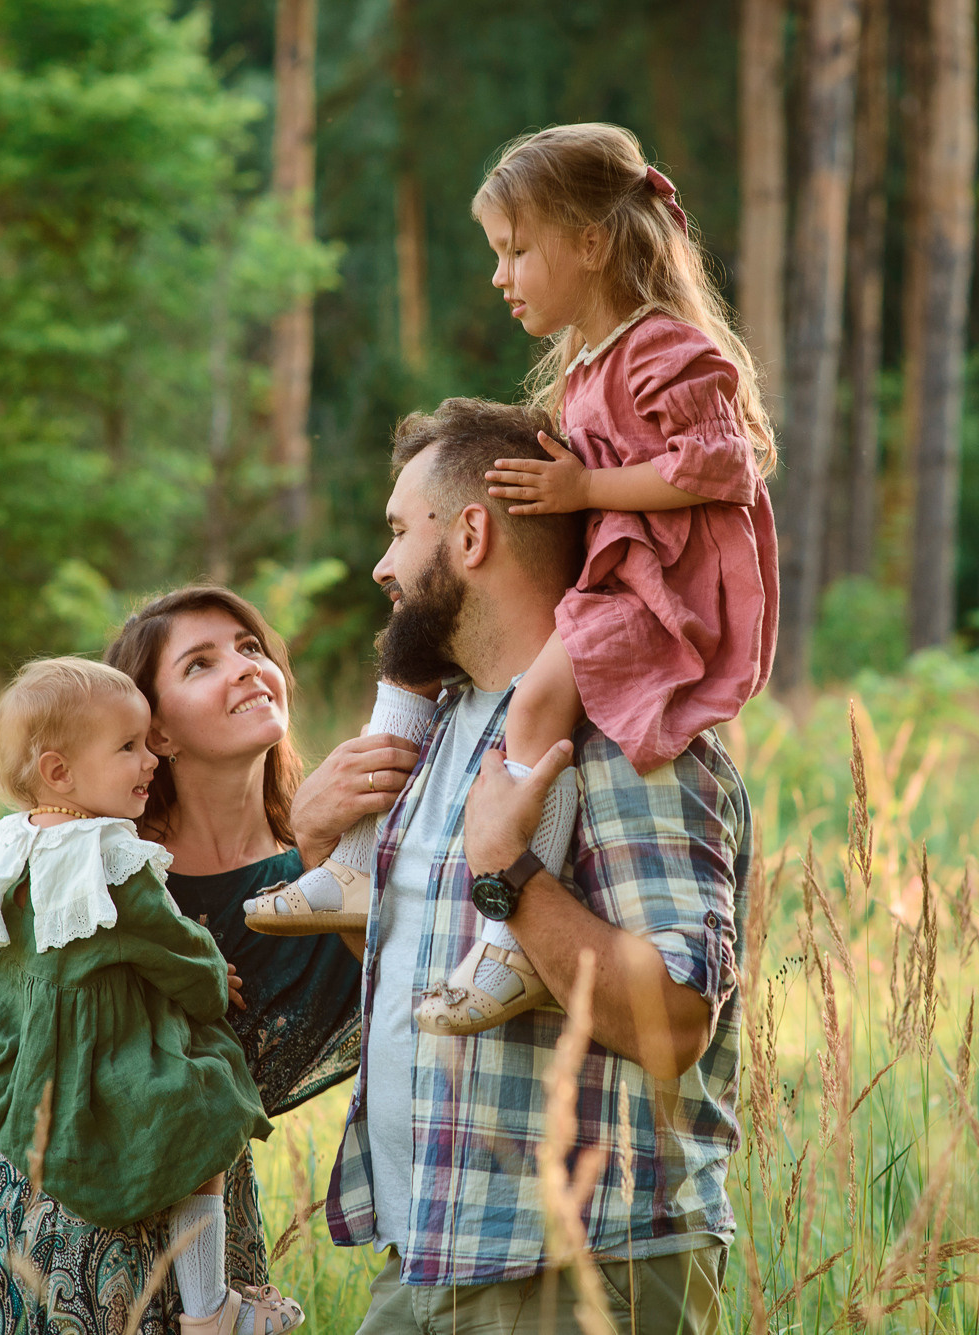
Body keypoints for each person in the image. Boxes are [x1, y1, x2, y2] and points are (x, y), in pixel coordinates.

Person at [247, 123, 776, 1037]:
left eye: (517, 249)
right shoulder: (581, 368)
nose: (501, 275)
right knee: (429, 655)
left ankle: (513, 941)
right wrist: (322, 832)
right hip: (604, 583)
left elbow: (722, 468)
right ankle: (359, 860)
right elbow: (388, 980)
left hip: (651, 597)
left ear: (592, 240)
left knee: (537, 714)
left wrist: (583, 487)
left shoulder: (668, 352)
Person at [309, 397, 754, 1335]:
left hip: (577, 1268)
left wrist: (511, 869)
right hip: (430, 1253)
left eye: (398, 531)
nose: (383, 566)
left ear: (472, 533)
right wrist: (319, 848)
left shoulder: (626, 737)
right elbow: (419, 986)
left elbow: (677, 1021)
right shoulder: (448, 731)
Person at [0, 589, 405, 1334]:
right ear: (156, 729)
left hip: (190, 1223)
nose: (245, 668)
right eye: (201, 662)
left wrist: (317, 850)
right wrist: (87, 1096)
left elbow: (395, 997)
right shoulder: (93, 864)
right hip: (38, 1221)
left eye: (251, 647)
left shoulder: (319, 879)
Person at [0, 655, 299, 1335]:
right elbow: (177, 949)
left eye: (147, 738)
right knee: (202, 1107)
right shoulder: (111, 855)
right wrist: (212, 979)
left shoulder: (1, 848)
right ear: (60, 771)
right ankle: (210, 1311)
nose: (150, 756)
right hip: (81, 1103)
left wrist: (23, 1039)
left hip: (23, 1065)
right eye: (130, 745)